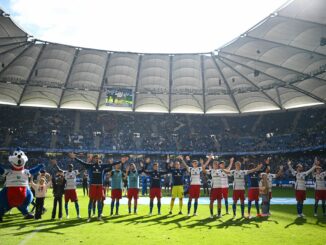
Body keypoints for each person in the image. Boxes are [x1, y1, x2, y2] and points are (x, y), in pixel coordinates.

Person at [68, 153, 128, 222]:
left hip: (100, 186)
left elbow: (111, 165)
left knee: (99, 201)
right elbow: (82, 163)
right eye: (95, 158)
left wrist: (120, 162)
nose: (97, 159)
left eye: (97, 158)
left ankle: (99, 216)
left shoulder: (101, 166)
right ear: (93, 159)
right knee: (91, 201)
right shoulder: (90, 166)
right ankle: (89, 216)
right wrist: (75, 158)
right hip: (93, 185)